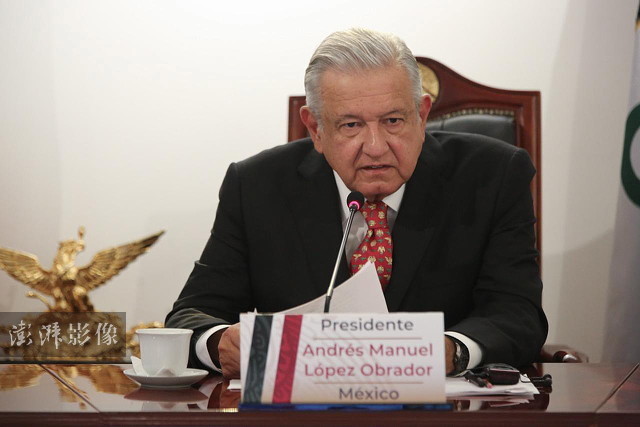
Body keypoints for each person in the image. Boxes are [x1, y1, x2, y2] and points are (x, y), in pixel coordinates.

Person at [166, 28, 548, 379]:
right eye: (351, 125)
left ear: (421, 115)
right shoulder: (256, 186)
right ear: (315, 129)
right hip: (301, 414)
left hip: (445, 411)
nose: (376, 147)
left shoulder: (492, 176)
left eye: (393, 120)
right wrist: (220, 343)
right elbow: (191, 315)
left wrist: (451, 351)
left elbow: (517, 314)